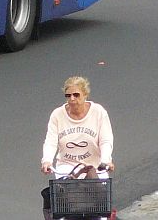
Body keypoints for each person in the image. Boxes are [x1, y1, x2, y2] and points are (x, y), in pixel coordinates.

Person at [40, 76, 114, 220]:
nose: (72, 99)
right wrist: (47, 160)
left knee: (99, 212)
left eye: (76, 95)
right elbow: (51, 141)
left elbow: (105, 140)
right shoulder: (57, 115)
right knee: (67, 212)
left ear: (85, 95)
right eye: (68, 96)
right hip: (67, 168)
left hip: (94, 168)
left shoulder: (98, 112)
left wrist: (106, 160)